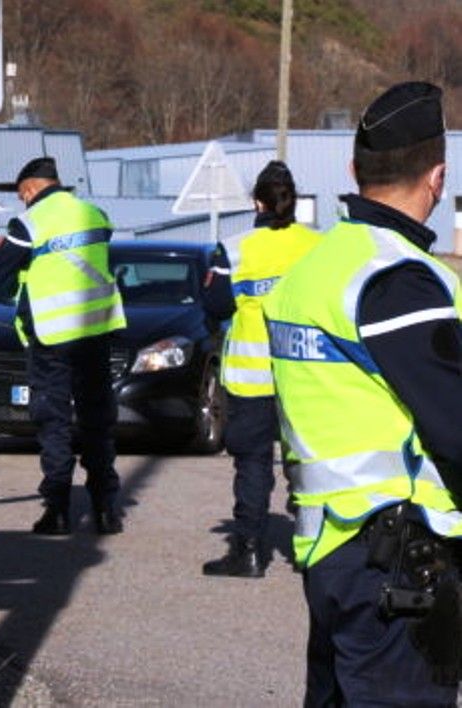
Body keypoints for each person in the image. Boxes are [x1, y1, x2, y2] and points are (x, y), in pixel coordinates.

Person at [263, 82, 462, 704]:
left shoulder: (315, 270)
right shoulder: (397, 278)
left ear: (354, 170)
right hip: (401, 565)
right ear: (438, 177)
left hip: (334, 551)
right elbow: (455, 426)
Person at [0, 156, 126, 535]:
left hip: (52, 337)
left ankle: (57, 509)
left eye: (23, 196)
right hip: (96, 331)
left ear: (32, 188)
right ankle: (105, 508)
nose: (23, 203)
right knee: (96, 420)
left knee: (53, 421)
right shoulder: (95, 214)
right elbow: (67, 258)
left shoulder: (32, 221)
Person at [201, 162, 321, 577]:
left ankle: (249, 552)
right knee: (308, 462)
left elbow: (214, 307)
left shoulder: (236, 248)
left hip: (252, 379)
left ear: (257, 202)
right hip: (306, 375)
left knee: (252, 465)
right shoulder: (316, 245)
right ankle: (314, 551)